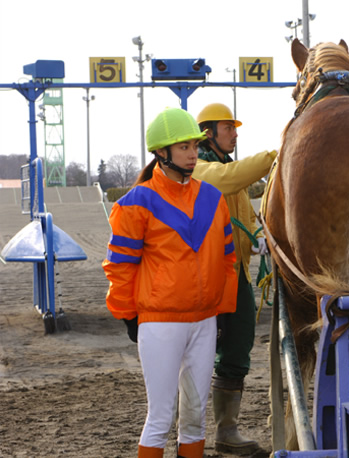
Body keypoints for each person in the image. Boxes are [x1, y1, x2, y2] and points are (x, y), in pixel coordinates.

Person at [102, 107, 238, 458]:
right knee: (160, 418)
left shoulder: (214, 199)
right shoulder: (135, 204)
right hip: (160, 323)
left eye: (194, 145)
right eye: (184, 148)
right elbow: (120, 267)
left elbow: (227, 260)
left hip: (205, 321)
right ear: (161, 153)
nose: (193, 154)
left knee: (195, 419)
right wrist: (128, 314)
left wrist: (222, 310)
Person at [190, 102, 277, 455]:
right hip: (207, 276)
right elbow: (228, 181)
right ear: (208, 132)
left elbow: (241, 206)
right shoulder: (199, 166)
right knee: (199, 354)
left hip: (238, 274)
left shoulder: (225, 166)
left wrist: (257, 234)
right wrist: (278, 153)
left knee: (237, 349)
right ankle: (190, 433)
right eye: (229, 128)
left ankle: (227, 431)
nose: (235, 134)